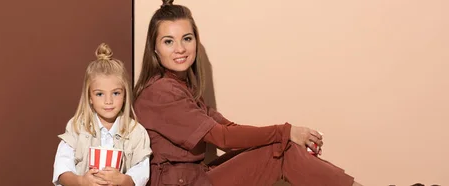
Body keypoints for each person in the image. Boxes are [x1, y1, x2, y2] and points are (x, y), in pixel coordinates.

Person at [133, 1, 361, 185]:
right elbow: (224, 138)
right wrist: (286, 131)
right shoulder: (161, 92)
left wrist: (285, 136)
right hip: (184, 183)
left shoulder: (182, 87)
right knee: (280, 151)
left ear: (195, 41)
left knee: (279, 147)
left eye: (187, 38)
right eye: (168, 41)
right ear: (154, 48)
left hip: (195, 177)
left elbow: (228, 130)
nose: (180, 49)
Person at [53, 43, 152, 186]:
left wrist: (123, 180)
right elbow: (62, 169)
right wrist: (81, 181)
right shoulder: (76, 127)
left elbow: (141, 172)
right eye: (100, 94)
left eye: (116, 93)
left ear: (125, 95)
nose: (108, 101)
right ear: (90, 97)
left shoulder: (136, 132)